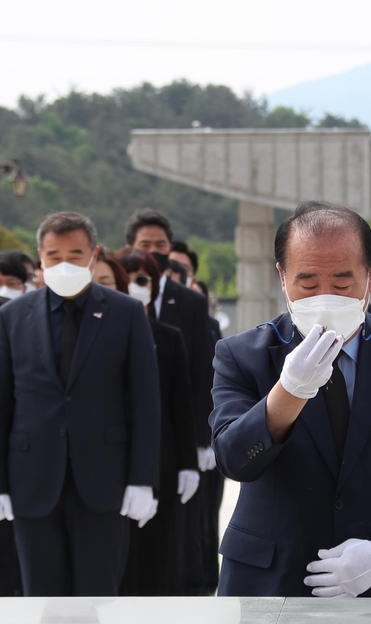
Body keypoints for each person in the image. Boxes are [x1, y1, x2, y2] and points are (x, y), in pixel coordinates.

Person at [210, 201, 371, 598]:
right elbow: (233, 459)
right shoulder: (241, 355)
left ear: (370, 277)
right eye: (309, 284)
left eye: (344, 284)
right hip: (269, 581)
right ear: (282, 278)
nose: (327, 298)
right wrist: (289, 392)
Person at [0, 212, 161, 596]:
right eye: (53, 255)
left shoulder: (124, 313)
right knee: (42, 598)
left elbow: (145, 402)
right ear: (39, 259)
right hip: (32, 480)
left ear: (93, 255)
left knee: (99, 596)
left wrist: (142, 479)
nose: (64, 264)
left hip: (104, 479)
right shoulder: (12, 316)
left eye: (75, 254)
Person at [124, 208, 217, 595]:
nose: (154, 250)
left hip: (175, 433)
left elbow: (197, 374)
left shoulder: (189, 303)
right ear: (131, 246)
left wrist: (200, 439)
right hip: (125, 437)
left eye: (160, 244)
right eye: (145, 245)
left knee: (181, 531)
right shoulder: (111, 299)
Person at [117, 250, 200, 596]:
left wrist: (188, 463)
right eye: (127, 278)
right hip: (110, 463)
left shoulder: (168, 336)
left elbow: (182, 404)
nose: (134, 286)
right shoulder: (98, 335)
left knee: (157, 558)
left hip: (162, 462)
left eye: (142, 279)